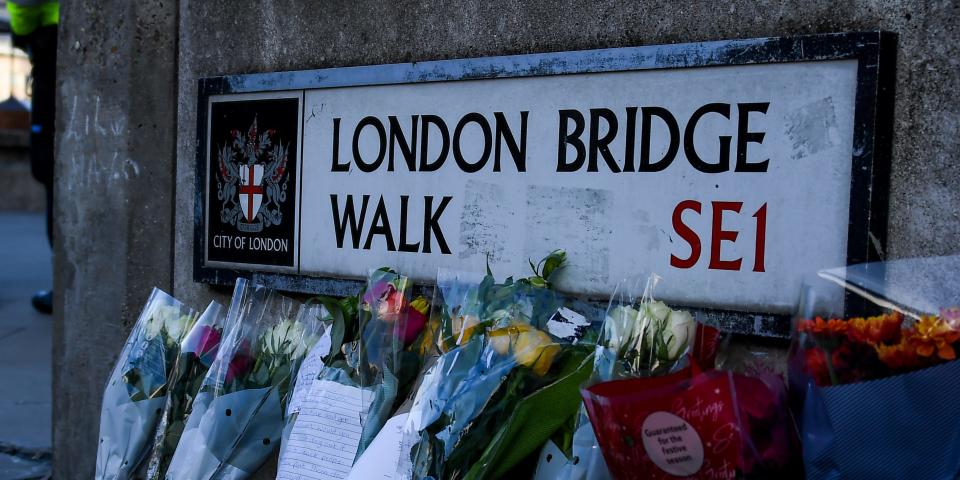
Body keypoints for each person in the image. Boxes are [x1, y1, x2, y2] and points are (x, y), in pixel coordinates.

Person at [7, 0, 58, 314]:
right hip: (57, 42)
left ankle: (65, 283)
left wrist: (21, 29)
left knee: (51, 170)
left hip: (50, 41)